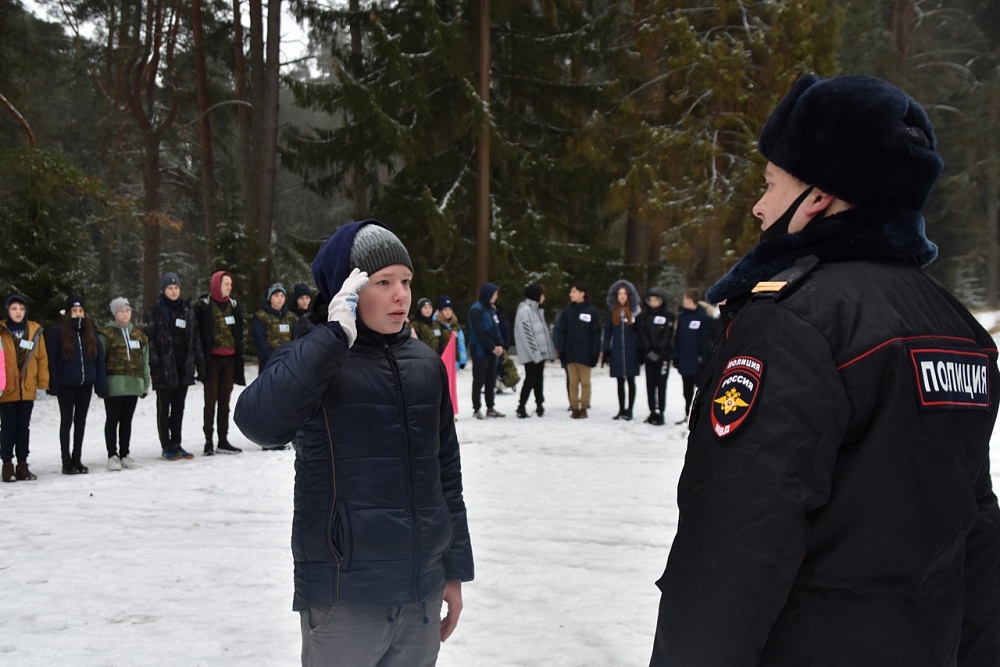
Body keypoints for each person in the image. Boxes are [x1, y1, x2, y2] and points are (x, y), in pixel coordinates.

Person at [649, 74, 1000, 666]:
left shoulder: (795, 322)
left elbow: (737, 538)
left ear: (817, 198)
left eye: (769, 185)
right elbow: (976, 527)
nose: (759, 206)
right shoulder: (957, 328)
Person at [233, 219, 474, 667]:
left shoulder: (425, 363)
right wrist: (331, 338)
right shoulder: (314, 356)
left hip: (421, 595)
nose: (401, 295)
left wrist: (454, 569)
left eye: (405, 281)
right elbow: (259, 423)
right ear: (347, 289)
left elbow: (446, 473)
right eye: (383, 282)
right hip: (345, 593)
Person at [143, 272, 205, 461]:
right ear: (164, 290)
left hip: (183, 367)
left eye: (176, 287)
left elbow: (195, 339)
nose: (174, 291)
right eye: (170, 288)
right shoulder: (155, 311)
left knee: (179, 407)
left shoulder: (187, 311)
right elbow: (150, 340)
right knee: (164, 408)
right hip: (164, 367)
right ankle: (166, 444)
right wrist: (155, 366)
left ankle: (177, 442)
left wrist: (199, 364)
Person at [47, 295, 107, 475]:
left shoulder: (90, 332)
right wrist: (53, 384)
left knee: (80, 422)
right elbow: (52, 360)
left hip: (85, 384)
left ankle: (77, 457)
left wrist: (100, 383)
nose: (78, 314)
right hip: (66, 384)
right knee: (67, 421)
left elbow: (99, 358)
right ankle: (66, 461)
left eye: (81, 311)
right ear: (67, 313)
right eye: (74, 311)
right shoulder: (57, 332)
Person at [195, 270, 246, 455]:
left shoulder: (234, 306)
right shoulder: (203, 307)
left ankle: (223, 439)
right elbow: (198, 335)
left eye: (231, 284)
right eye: (226, 284)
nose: (229, 287)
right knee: (210, 402)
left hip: (230, 360)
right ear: (217, 284)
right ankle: (208, 440)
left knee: (225, 402)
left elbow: (239, 333)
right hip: (212, 360)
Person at [97, 298, 151, 470]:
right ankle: (112, 454)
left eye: (127, 310)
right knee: (113, 419)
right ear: (114, 314)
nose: (125, 313)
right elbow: (100, 361)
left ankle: (125, 453)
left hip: (133, 384)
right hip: (114, 385)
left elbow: (145, 361)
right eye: (121, 311)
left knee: (127, 420)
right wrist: (101, 384)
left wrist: (145, 382)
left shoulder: (138, 335)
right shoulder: (106, 334)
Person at [0, 295, 49, 482]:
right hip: (7, 389)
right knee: (7, 428)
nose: (18, 312)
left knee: (23, 428)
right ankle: (7, 465)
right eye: (14, 308)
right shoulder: (2, 331)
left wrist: (42, 385)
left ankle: (22, 465)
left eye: (21, 308)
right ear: (7, 311)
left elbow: (42, 359)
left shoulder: (34, 331)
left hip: (27, 389)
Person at [552, 282, 601, 419]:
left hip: (586, 353)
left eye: (574, 291)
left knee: (585, 383)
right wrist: (561, 350)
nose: (571, 294)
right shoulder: (567, 311)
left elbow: (596, 333)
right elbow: (562, 331)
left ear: (582, 293)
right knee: (573, 383)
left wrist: (595, 352)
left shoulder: (591, 311)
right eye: (571, 292)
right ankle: (574, 407)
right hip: (570, 353)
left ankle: (584, 407)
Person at [513, 283, 555, 418]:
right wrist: (535, 353)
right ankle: (521, 406)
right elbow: (527, 334)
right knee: (530, 379)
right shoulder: (525, 310)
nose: (544, 298)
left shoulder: (537, 310)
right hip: (531, 354)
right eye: (542, 294)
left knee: (538, 380)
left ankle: (539, 404)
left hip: (539, 354)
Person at [635, 287, 675, 425]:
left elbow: (668, 334)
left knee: (661, 384)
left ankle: (661, 411)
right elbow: (642, 333)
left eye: (656, 299)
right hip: (649, 355)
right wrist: (649, 348)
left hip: (663, 356)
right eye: (651, 300)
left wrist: (659, 349)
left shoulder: (668, 314)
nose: (653, 302)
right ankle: (652, 411)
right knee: (650, 384)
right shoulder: (643, 316)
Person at [671, 288, 710, 425]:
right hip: (685, 361)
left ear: (691, 300)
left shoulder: (703, 316)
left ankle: (699, 417)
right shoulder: (683, 317)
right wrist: (675, 357)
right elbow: (678, 339)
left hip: (698, 363)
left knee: (700, 392)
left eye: (685, 298)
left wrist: (704, 359)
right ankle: (687, 414)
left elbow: (705, 341)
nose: (683, 301)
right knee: (686, 391)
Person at [603, 280, 641, 421]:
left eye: (625, 293)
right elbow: (608, 332)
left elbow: (640, 333)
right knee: (620, 381)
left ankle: (630, 410)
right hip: (617, 351)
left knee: (631, 380)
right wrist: (606, 349)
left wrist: (640, 350)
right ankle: (621, 409)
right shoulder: (612, 312)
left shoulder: (636, 312)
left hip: (631, 351)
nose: (622, 296)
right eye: (620, 294)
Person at [467, 283, 505, 419]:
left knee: (491, 380)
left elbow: (496, 328)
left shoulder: (491, 309)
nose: (496, 296)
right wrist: (492, 346)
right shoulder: (475, 310)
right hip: (480, 352)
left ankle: (490, 407)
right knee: (479, 380)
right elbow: (479, 333)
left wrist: (500, 344)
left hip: (493, 352)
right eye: (495, 294)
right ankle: (476, 408)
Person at [252, 283, 299, 370]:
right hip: (268, 362)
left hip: (288, 362)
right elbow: (260, 341)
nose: (280, 298)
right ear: (270, 298)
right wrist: (273, 357)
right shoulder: (261, 317)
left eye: (282, 296)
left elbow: (296, 338)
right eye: (276, 295)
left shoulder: (292, 317)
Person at [434, 296, 467, 371]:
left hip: (454, 361)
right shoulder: (436, 325)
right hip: (441, 360)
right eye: (445, 309)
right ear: (440, 311)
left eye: (450, 309)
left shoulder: (456, 326)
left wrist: (463, 360)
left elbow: (461, 343)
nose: (448, 312)